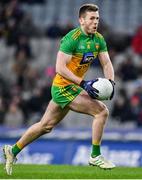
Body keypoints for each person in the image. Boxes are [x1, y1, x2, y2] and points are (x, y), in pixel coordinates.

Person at [3, 4, 115, 175]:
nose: (95, 22)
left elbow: (106, 63)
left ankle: (13, 151)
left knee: (45, 126)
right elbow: (60, 68)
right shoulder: (72, 38)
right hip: (63, 87)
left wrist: (111, 83)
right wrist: (83, 83)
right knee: (101, 112)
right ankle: (95, 155)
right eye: (91, 18)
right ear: (81, 20)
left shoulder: (98, 39)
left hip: (73, 87)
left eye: (97, 18)